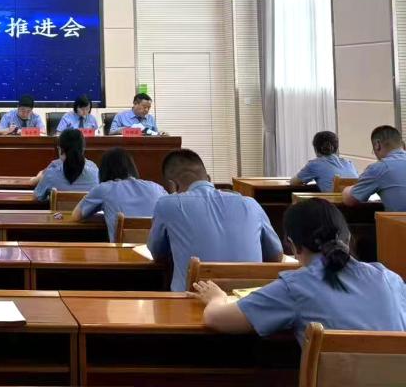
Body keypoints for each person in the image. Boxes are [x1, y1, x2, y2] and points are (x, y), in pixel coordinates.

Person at [192, 198, 406, 345]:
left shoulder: (295, 287)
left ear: (293, 246)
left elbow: (216, 319)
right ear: (348, 238)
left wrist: (217, 298)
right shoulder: (389, 278)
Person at [149, 149, 283, 292]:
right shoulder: (251, 204)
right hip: (248, 300)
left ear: (172, 185)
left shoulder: (167, 204)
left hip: (192, 300)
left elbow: (158, 254)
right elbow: (276, 254)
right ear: (208, 178)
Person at [72, 147, 167, 242]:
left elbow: (76, 216)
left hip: (122, 250)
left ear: (104, 170)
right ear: (132, 167)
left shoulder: (104, 189)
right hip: (158, 250)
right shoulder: (157, 187)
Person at [343, 125, 406, 211]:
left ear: (377, 145)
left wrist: (347, 189)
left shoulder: (380, 167)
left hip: (399, 220)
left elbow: (349, 200)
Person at [33, 130, 99, 201]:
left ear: (61, 149)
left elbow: (37, 196)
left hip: (58, 209)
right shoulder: (95, 172)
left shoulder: (51, 174)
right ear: (83, 149)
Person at [291, 131, 358, 193]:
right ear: (336, 148)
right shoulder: (349, 163)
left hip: (334, 202)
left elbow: (294, 182)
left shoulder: (315, 164)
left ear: (315, 149)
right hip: (355, 201)